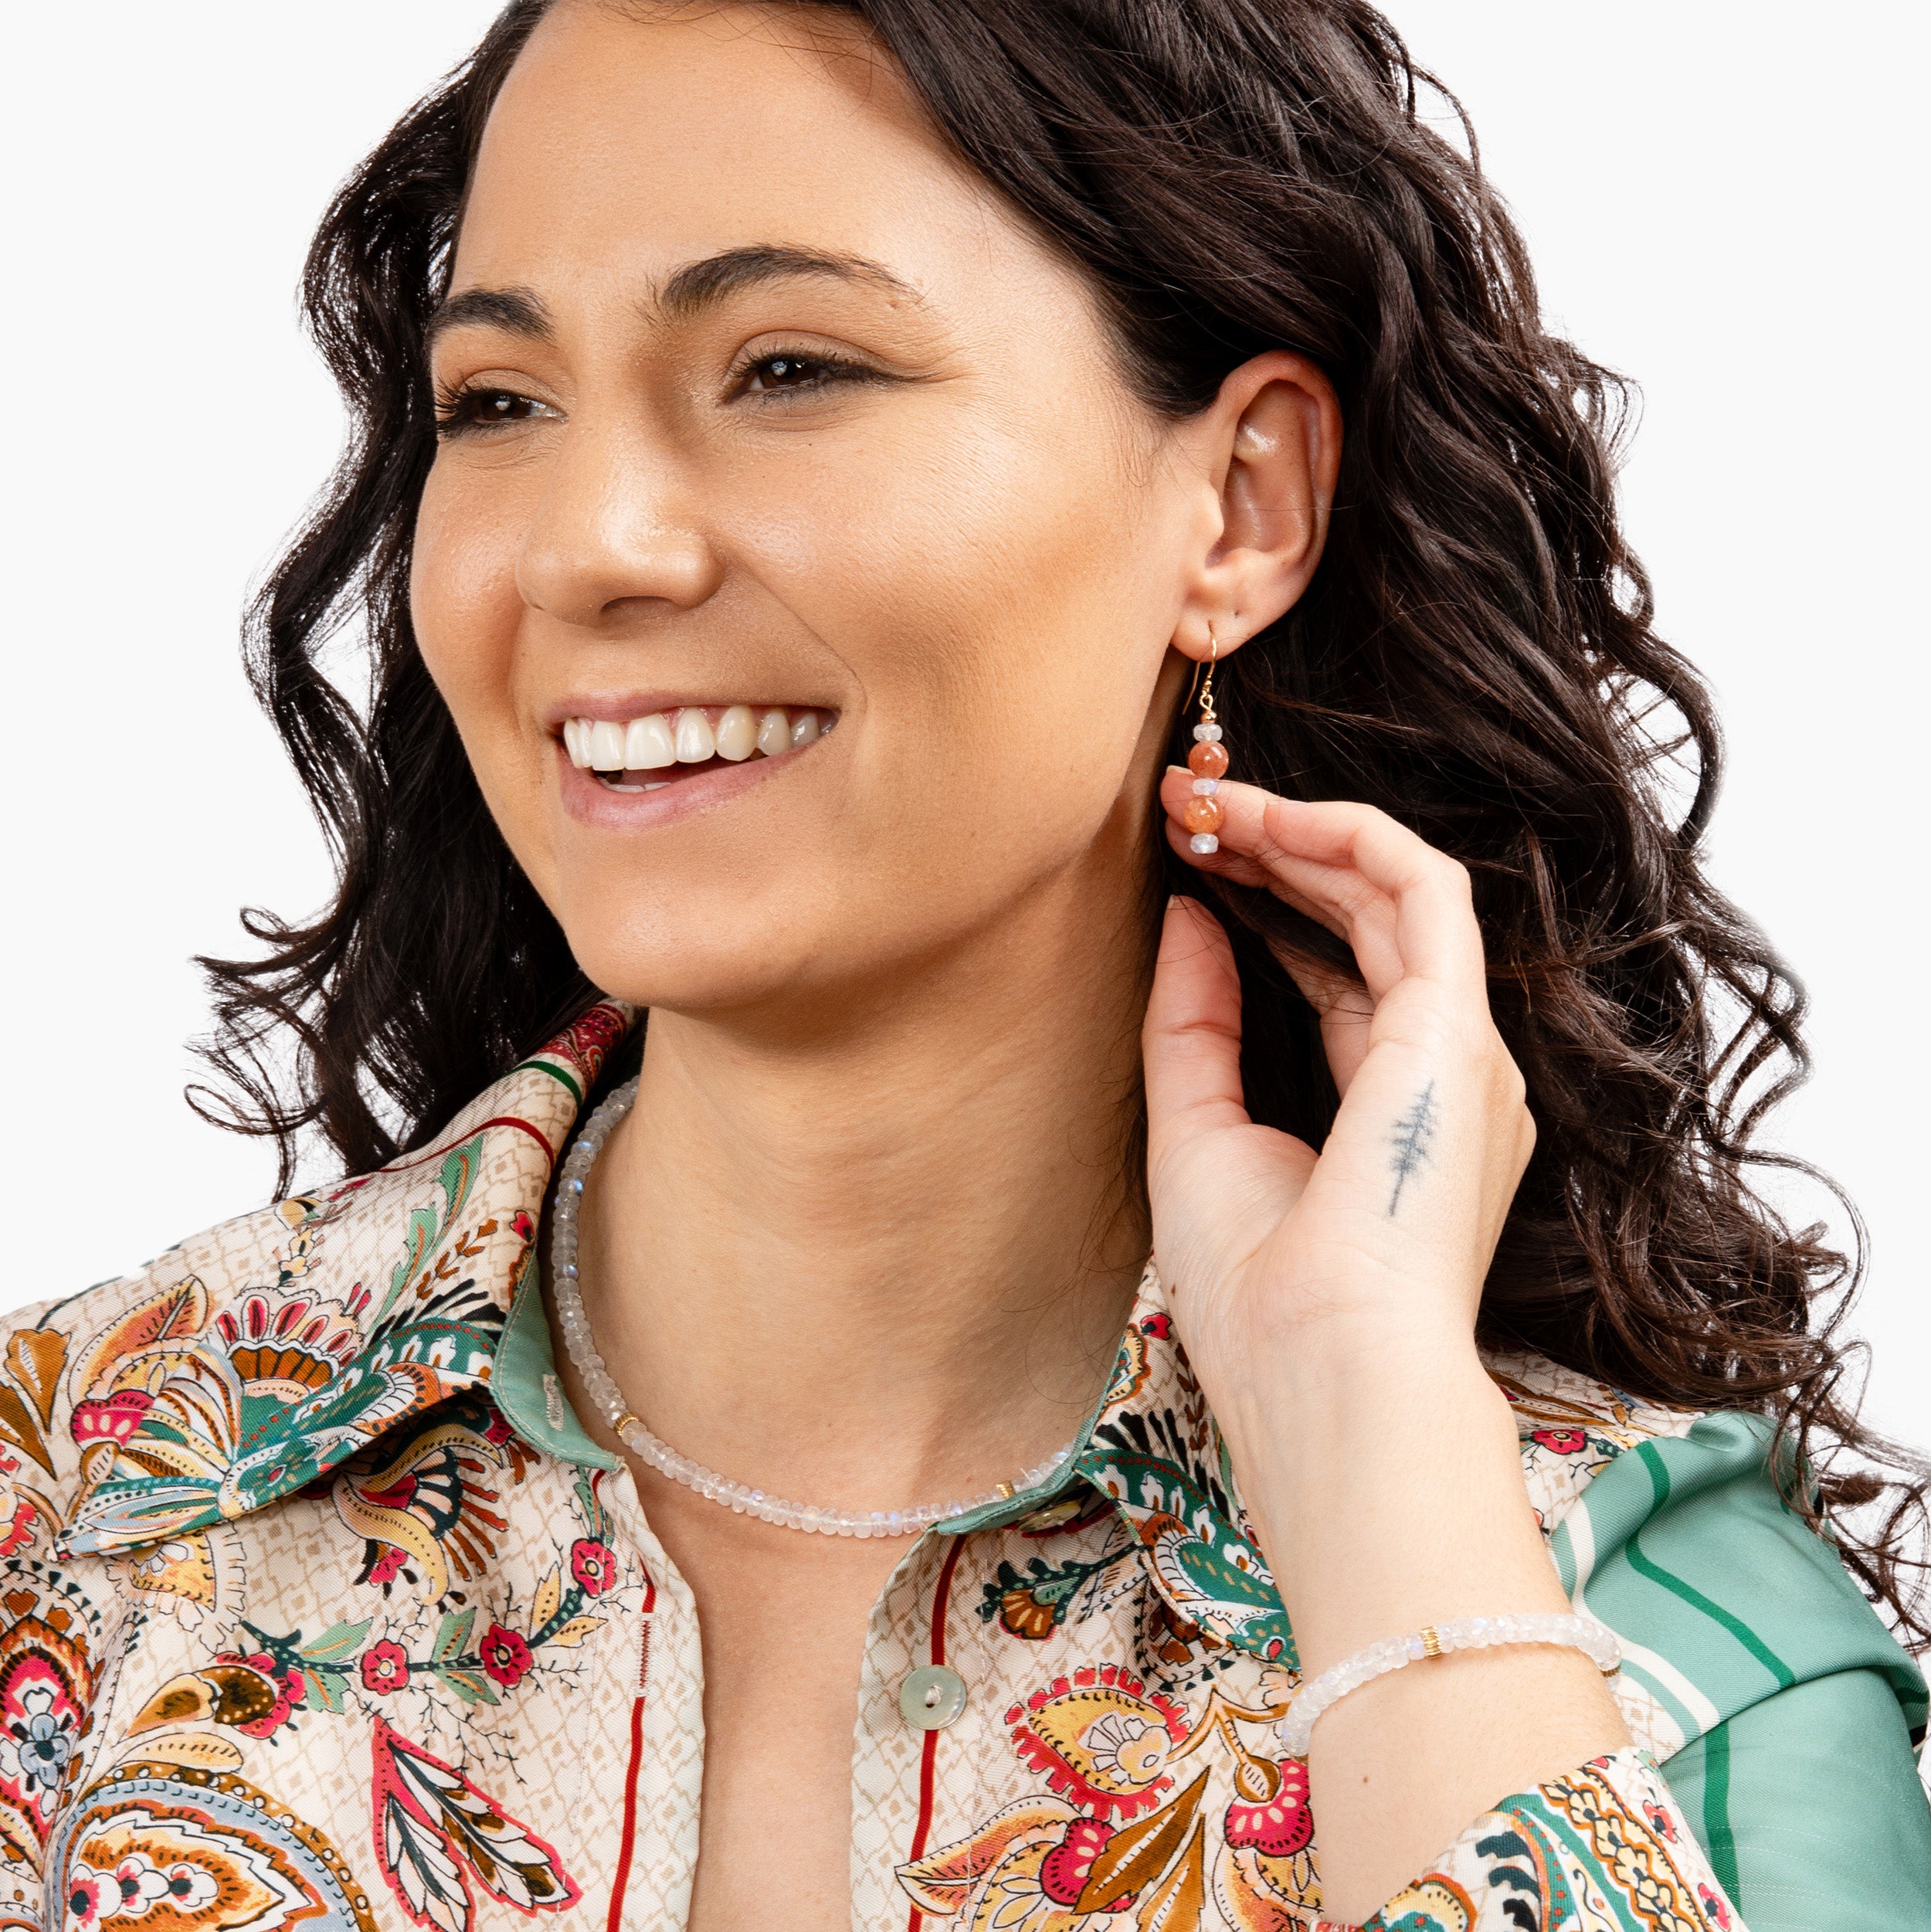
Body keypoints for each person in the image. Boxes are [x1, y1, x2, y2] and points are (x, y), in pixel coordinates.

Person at [10, 2, 1927, 1929]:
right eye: (499, 403)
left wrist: (1370, 1462)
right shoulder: (78, 1506)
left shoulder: (1656, 1651)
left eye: (787, 367)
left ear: (1241, 502)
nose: (588, 545)